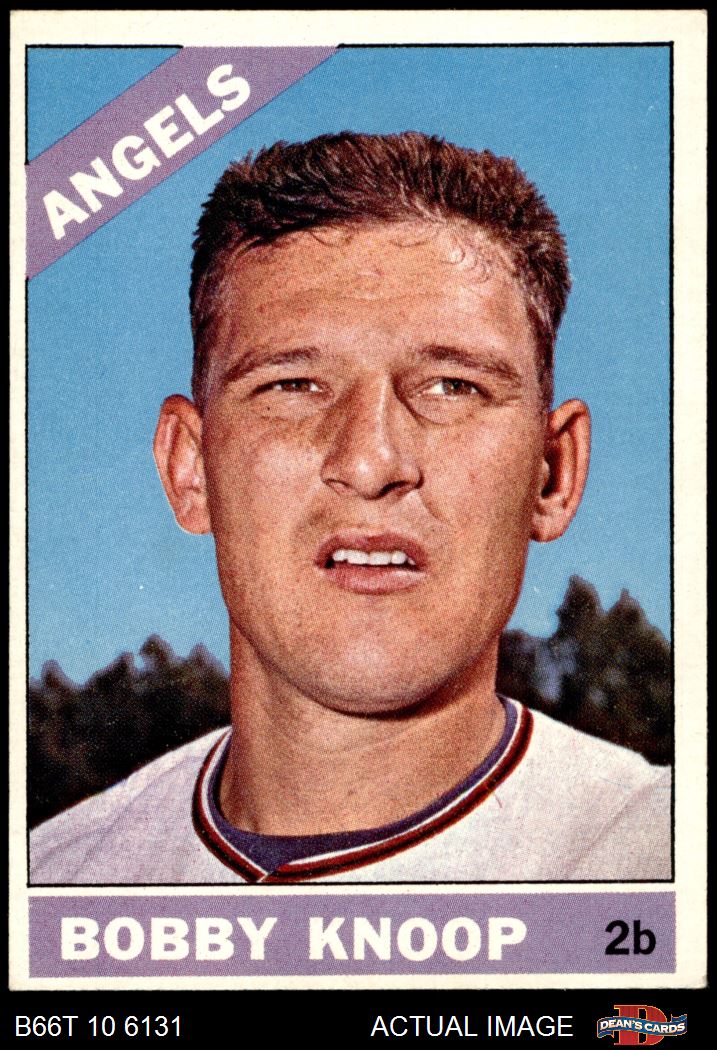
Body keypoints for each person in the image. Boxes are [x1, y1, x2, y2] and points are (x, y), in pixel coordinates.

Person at [31, 131, 670, 884]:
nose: (369, 462)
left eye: (452, 386)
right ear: (189, 468)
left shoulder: (662, 858)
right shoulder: (52, 883)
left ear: (552, 474)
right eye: (293, 385)